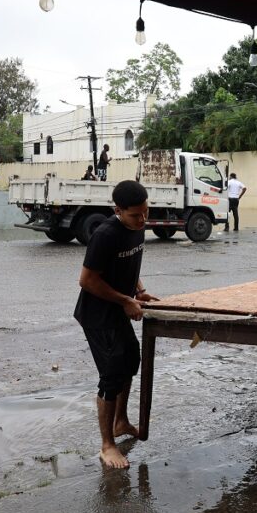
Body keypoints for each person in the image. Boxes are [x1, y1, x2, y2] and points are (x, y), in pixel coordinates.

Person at [74, 180, 160, 468]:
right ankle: (107, 444)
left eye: (145, 212)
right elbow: (87, 281)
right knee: (111, 374)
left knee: (130, 360)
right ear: (118, 211)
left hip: (119, 308)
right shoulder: (105, 235)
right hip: (98, 315)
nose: (143, 219)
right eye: (136, 215)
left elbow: (129, 263)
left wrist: (138, 291)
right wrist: (125, 300)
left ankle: (121, 421)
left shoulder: (137, 227)